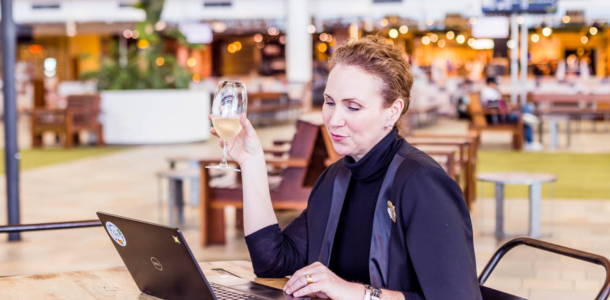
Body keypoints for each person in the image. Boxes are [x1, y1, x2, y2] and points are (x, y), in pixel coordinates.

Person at [209, 36, 482, 300]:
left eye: (352, 107)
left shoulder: (423, 184)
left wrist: (356, 293)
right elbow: (273, 262)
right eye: (329, 102)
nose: (334, 119)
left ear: (393, 111)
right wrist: (251, 162)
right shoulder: (337, 176)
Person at [480, 77, 541, 151]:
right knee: (524, 118)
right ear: (490, 83)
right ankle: (529, 142)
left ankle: (529, 139)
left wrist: (508, 107)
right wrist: (507, 108)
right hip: (500, 117)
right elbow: (494, 106)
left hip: (501, 115)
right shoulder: (488, 92)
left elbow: (498, 105)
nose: (496, 85)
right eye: (495, 84)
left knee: (525, 110)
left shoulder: (490, 91)